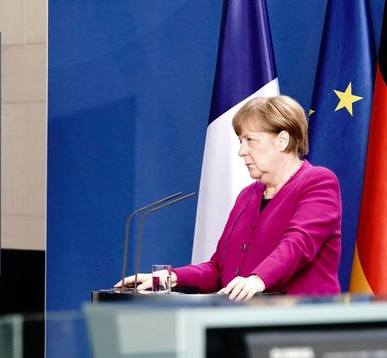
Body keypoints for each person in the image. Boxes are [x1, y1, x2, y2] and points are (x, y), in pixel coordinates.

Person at [117, 95, 342, 301]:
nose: (241, 151)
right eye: (240, 141)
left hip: (301, 326)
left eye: (250, 140)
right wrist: (169, 277)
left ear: (282, 140)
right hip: (246, 326)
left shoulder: (318, 182)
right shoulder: (247, 196)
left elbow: (297, 245)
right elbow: (218, 269)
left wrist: (257, 279)